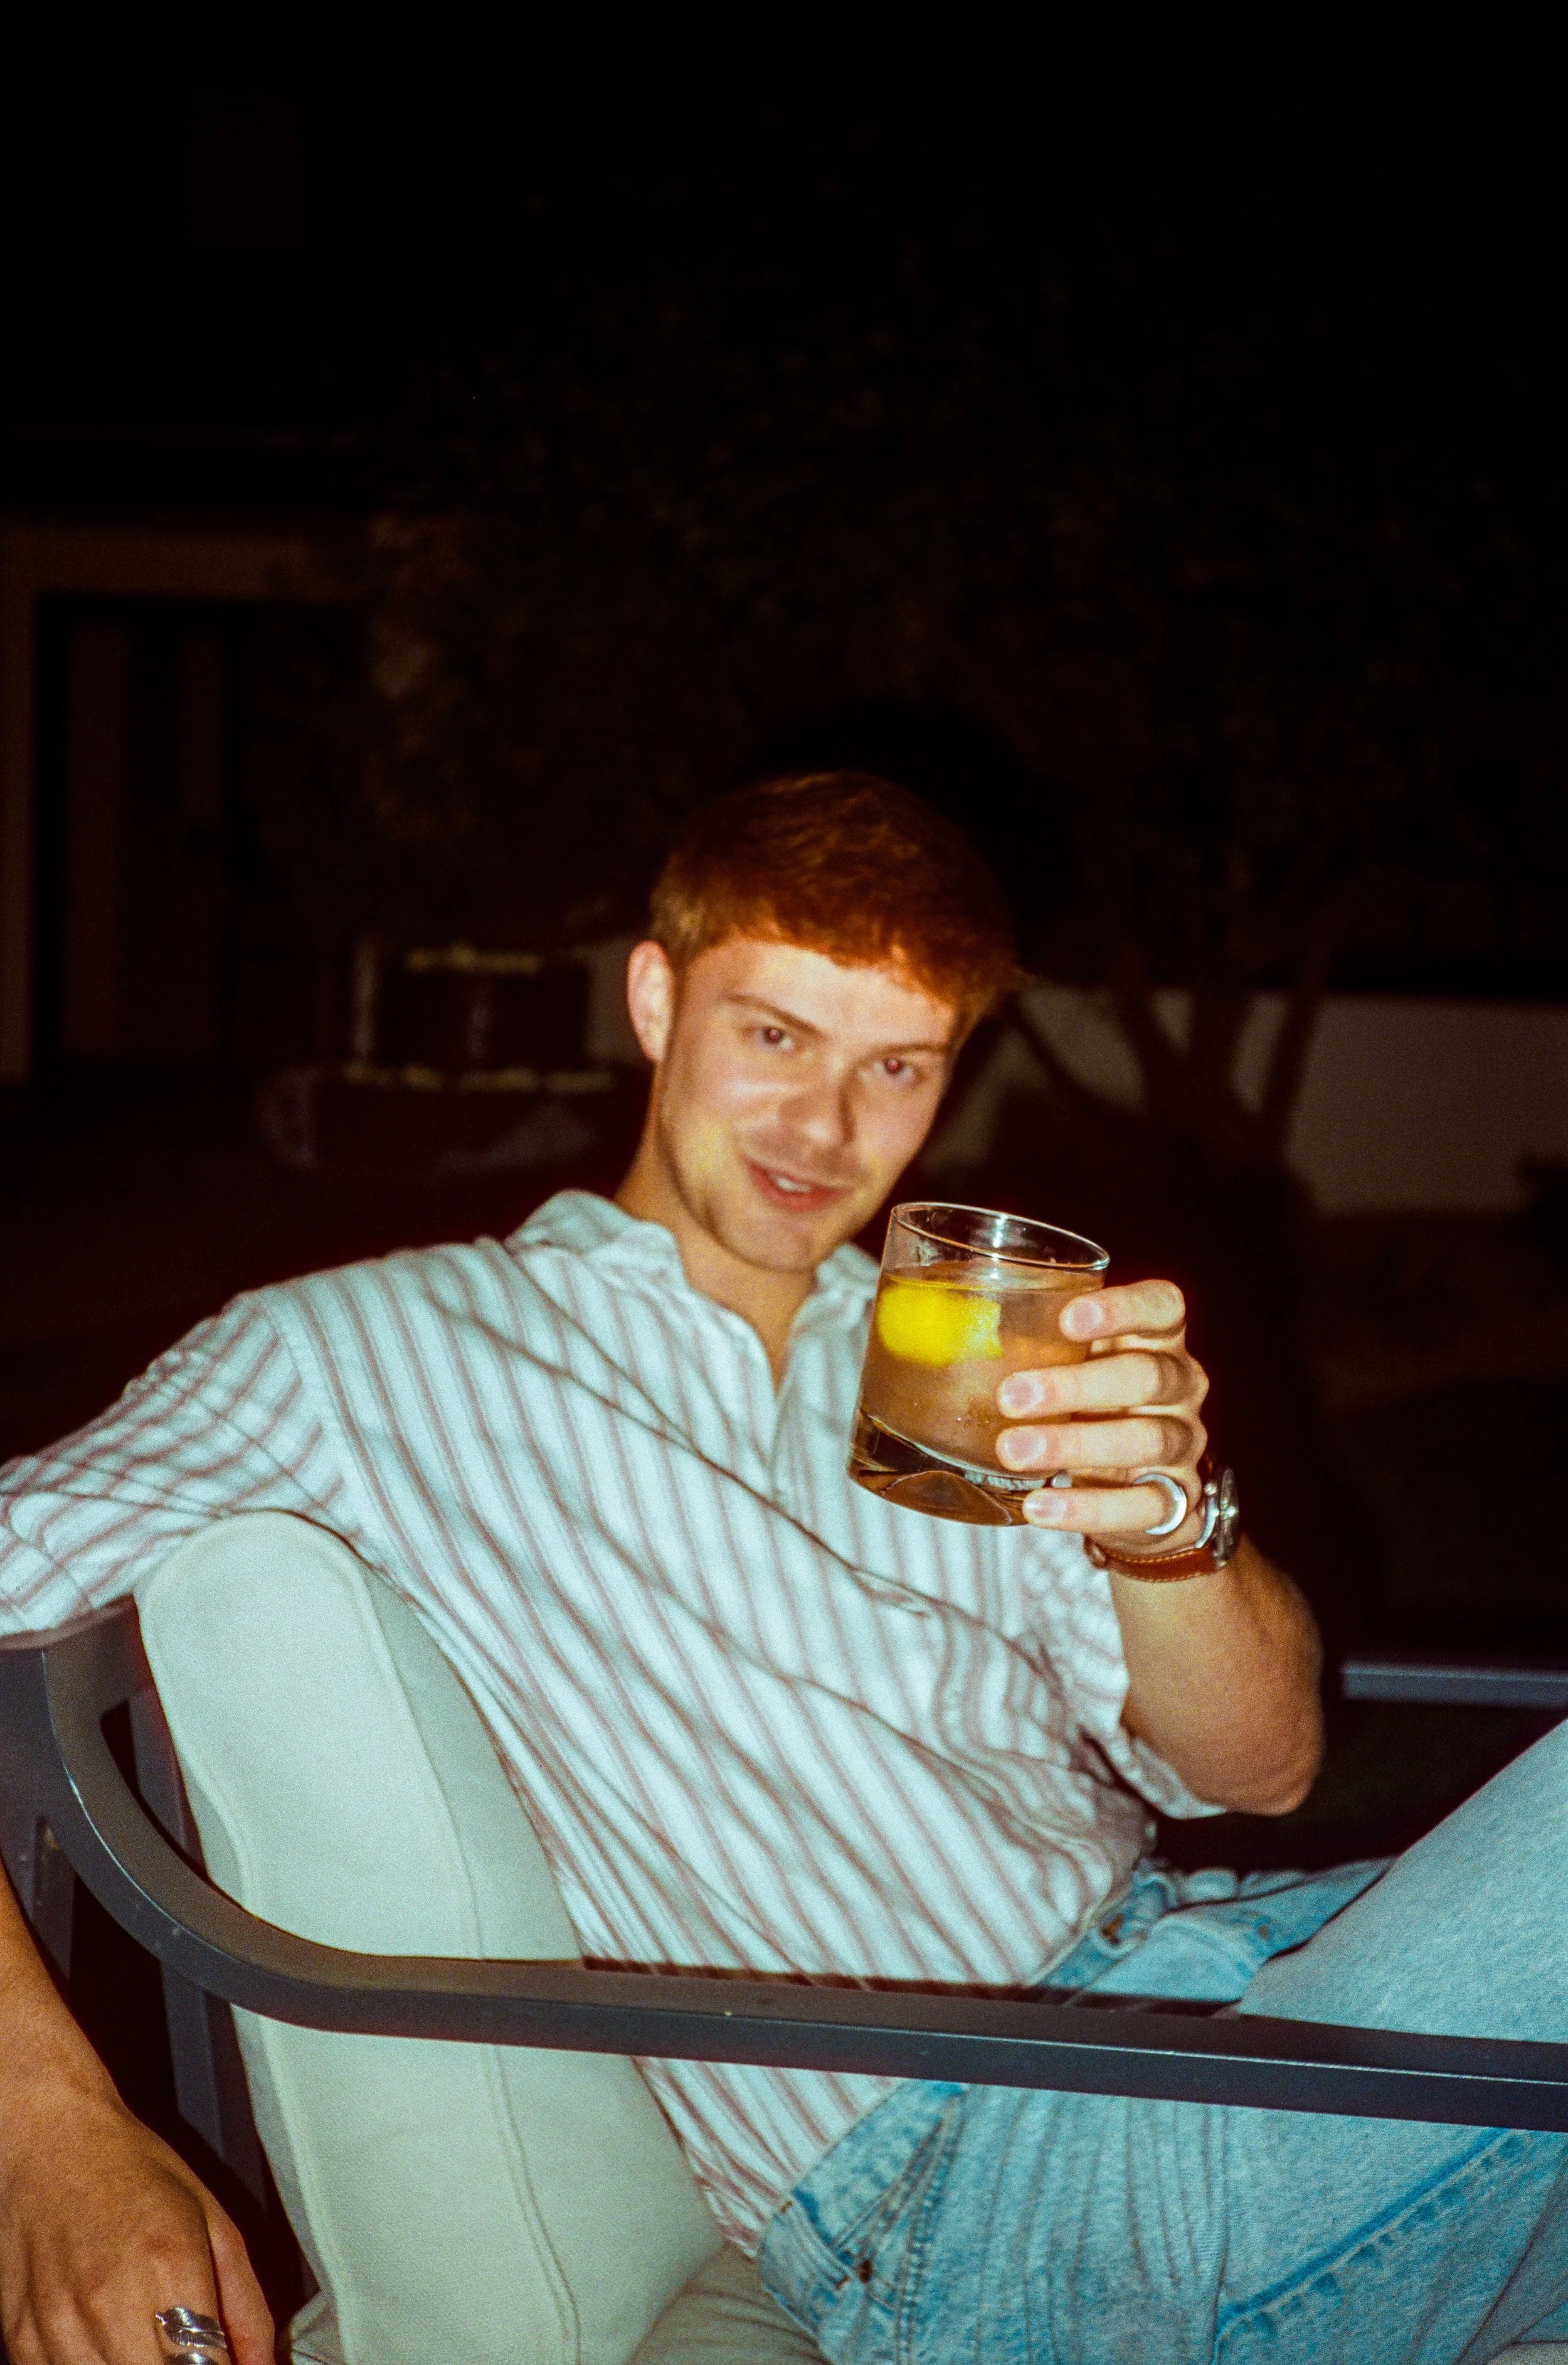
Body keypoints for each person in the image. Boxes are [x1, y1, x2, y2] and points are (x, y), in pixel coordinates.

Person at [0, 769, 1564, 2365]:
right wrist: (43, 2126)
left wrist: (1163, 1524)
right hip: (968, 2172)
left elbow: (1269, 1762)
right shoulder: (364, 1351)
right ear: (655, 994)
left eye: (894, 1064)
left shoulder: (954, 1350)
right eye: (773, 1037)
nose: (825, 1130)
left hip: (1226, 1966)